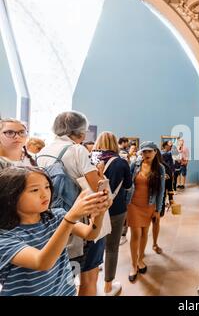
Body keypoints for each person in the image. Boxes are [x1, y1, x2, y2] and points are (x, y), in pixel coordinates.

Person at [0, 167, 110, 296]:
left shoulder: (55, 216)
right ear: (10, 196)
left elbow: (90, 234)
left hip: (65, 291)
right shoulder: (5, 236)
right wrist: (70, 218)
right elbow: (42, 262)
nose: (45, 194)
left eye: (47, 187)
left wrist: (100, 213)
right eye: (35, 190)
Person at [37, 111, 107, 296]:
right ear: (82, 132)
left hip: (50, 220)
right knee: (89, 277)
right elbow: (97, 186)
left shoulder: (42, 151)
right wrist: (100, 172)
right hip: (80, 224)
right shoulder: (77, 150)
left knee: (64, 278)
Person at [93, 132, 132, 296]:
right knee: (112, 247)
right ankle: (108, 286)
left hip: (94, 207)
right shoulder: (122, 162)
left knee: (94, 245)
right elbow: (128, 186)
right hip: (116, 208)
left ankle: (91, 281)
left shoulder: (91, 160)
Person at [125, 141, 165, 282]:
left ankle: (140, 259)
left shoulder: (160, 169)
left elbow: (161, 190)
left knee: (144, 233)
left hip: (149, 206)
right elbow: (127, 185)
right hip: (133, 205)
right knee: (135, 233)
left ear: (155, 152)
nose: (146, 154)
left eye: (149, 151)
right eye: (144, 152)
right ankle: (133, 265)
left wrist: (158, 210)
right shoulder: (134, 165)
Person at [161, 141, 175, 205]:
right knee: (163, 189)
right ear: (166, 146)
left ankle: (169, 199)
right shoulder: (163, 153)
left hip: (169, 172)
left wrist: (172, 172)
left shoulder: (169, 153)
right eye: (170, 146)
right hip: (164, 173)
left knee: (169, 187)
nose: (171, 147)